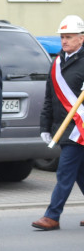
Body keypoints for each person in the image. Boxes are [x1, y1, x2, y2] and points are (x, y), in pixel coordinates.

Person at [32, 15, 84, 231]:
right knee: (80, 173)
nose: (64, 41)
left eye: (69, 37)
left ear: (81, 38)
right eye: (62, 37)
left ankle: (52, 216)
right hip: (62, 127)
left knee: (65, 172)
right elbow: (49, 98)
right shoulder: (57, 62)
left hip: (79, 129)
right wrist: (45, 126)